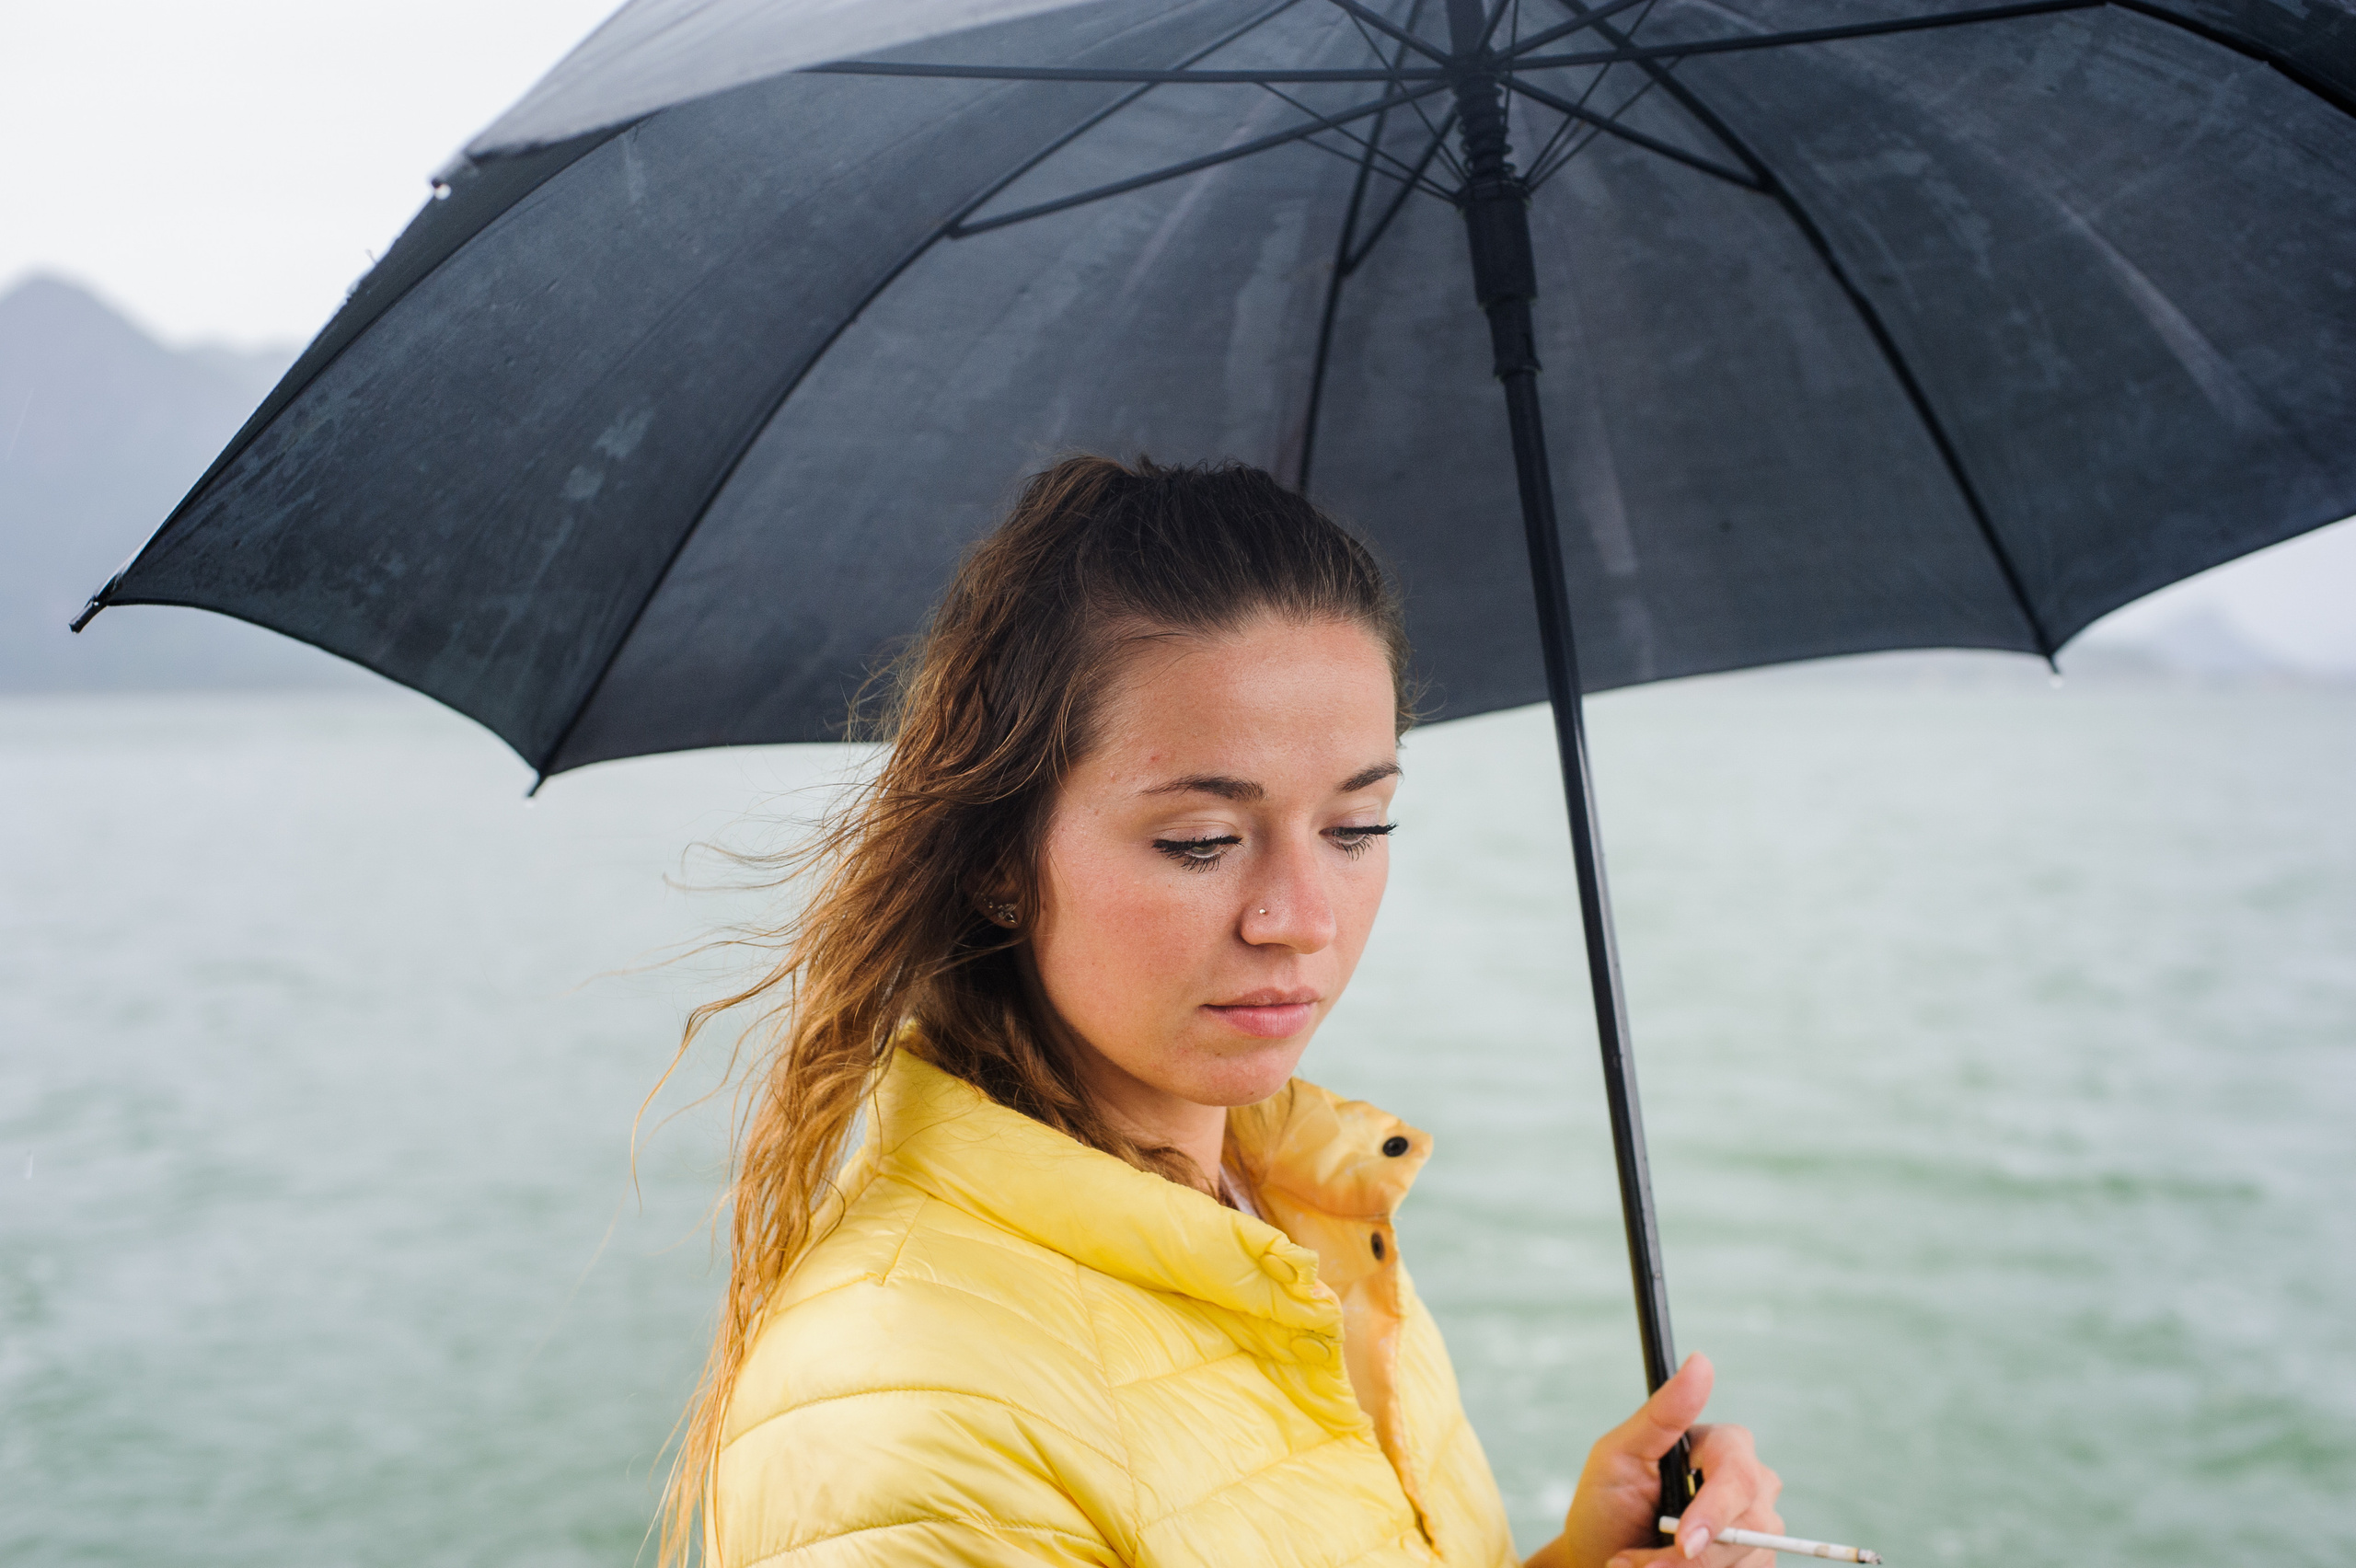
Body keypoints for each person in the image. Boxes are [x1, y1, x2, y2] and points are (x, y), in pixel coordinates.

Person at [659, 455, 1784, 1567]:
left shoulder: (1295, 1207)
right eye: (1201, 841)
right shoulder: (909, 1432)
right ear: (999, 861)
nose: (1300, 918)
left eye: (1357, 830)